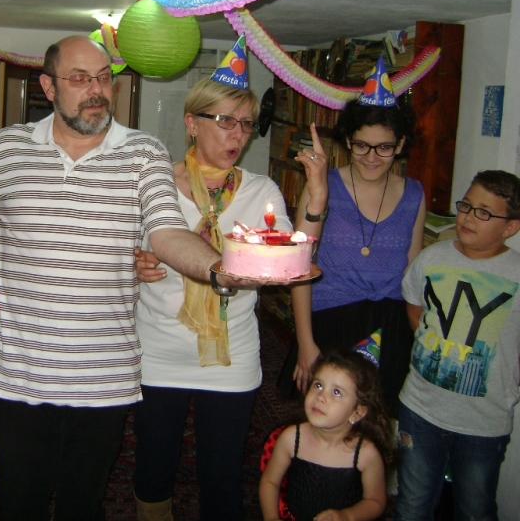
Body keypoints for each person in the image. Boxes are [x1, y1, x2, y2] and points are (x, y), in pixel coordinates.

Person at [0, 35, 255, 520]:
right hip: (17, 372)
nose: (96, 91)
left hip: (103, 377)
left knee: (83, 507)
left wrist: (219, 268)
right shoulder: (5, 149)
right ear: (48, 87)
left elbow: (167, 233)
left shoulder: (143, 152)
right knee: (19, 506)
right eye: (80, 79)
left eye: (104, 78)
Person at [130, 38, 327, 521]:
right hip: (157, 350)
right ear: (191, 123)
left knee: (221, 475)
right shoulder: (153, 185)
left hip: (233, 354)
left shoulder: (261, 190)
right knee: (153, 466)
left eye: (245, 123)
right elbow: (119, 251)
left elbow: (294, 256)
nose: (237, 134)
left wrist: (317, 195)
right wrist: (133, 264)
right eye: (225, 120)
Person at [287, 58, 426, 417]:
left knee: (375, 423)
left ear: (400, 144)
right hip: (330, 321)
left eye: (384, 147)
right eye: (361, 145)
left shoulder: (414, 195)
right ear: (348, 141)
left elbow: (412, 273)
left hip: (391, 327)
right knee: (322, 421)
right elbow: (298, 268)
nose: (372, 157)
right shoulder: (323, 187)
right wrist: (305, 342)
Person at [394, 170, 520, 520]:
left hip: (484, 422)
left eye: (484, 212)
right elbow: (414, 303)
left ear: (510, 227)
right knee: (412, 504)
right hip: (420, 409)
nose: (468, 217)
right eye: (466, 205)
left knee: (475, 507)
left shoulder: (515, 272)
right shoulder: (432, 258)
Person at [260, 349, 391, 521]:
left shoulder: (365, 453)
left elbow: (375, 501)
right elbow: (270, 482)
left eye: (336, 392)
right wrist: (271, 517)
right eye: (318, 385)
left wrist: (347, 516)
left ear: (357, 413)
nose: (321, 396)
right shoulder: (291, 438)